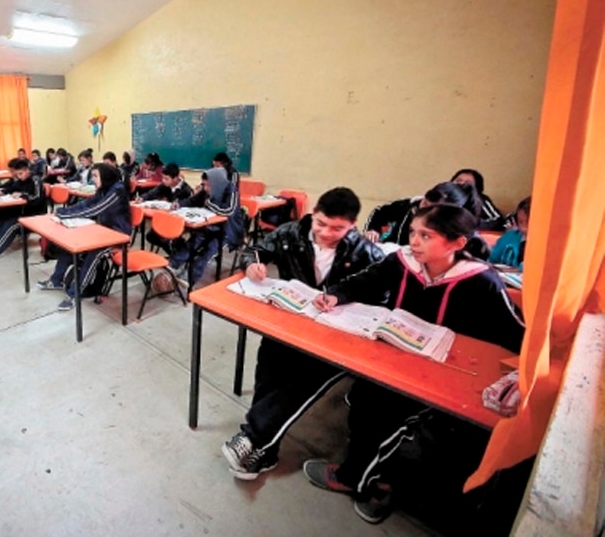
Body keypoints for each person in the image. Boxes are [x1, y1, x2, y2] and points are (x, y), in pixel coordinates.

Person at [304, 204, 524, 524]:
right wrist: (336, 294)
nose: (414, 242)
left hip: (446, 374)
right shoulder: (401, 262)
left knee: (398, 422)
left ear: (457, 243)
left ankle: (360, 479)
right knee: (366, 400)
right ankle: (375, 480)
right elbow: (365, 281)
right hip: (395, 360)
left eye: (426, 235)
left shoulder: (482, 281)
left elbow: (514, 334)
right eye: (412, 233)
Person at [222, 188, 386, 479]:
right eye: (321, 223)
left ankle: (253, 439)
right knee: (268, 374)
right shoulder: (290, 234)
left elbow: (379, 293)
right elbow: (254, 250)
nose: (325, 232)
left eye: (338, 228)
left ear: (352, 225)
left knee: (296, 387)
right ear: (314, 215)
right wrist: (252, 264)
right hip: (289, 323)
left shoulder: (365, 252)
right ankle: (265, 452)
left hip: (331, 337)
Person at [37, 164, 132, 312]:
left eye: (95, 176)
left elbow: (96, 209)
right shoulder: (103, 189)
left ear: (105, 176)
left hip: (118, 237)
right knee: (69, 246)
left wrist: (66, 215)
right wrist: (64, 211)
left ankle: (74, 294)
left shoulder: (117, 190)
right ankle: (56, 280)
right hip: (102, 232)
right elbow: (87, 203)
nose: (92, 179)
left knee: (92, 255)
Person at [166, 167, 242, 287]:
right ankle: (172, 265)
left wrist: (209, 204)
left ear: (217, 183)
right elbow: (193, 200)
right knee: (193, 243)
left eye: (208, 186)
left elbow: (229, 210)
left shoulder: (231, 190)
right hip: (209, 226)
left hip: (227, 230)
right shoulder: (206, 190)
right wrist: (179, 204)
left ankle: (189, 276)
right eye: (204, 185)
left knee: (209, 250)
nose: (205, 189)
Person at [0, 158, 46, 261]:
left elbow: (38, 198)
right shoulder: (21, 179)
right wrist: (3, 192)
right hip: (23, 210)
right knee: (1, 216)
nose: (19, 177)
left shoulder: (35, 179)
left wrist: (23, 194)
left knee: (11, 225)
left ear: (27, 170)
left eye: (21, 174)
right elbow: (12, 187)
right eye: (17, 174)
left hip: (35, 214)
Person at [363, 181, 480, 246]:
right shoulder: (409, 205)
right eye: (424, 203)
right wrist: (372, 229)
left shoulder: (459, 229)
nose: (423, 209)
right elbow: (380, 212)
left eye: (430, 208)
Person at [137, 163, 193, 252]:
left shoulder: (185, 190)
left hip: (180, 222)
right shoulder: (165, 185)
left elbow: (187, 206)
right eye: (163, 178)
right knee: (151, 236)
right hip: (167, 217)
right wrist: (142, 197)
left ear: (175, 178)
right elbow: (154, 192)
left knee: (167, 237)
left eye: (166, 179)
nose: (163, 181)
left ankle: (177, 252)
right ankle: (173, 252)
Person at [489, 196, 530, 271]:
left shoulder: (547, 244)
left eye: (529, 222)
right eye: (520, 221)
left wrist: (517, 269)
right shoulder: (510, 237)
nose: (523, 227)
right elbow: (491, 257)